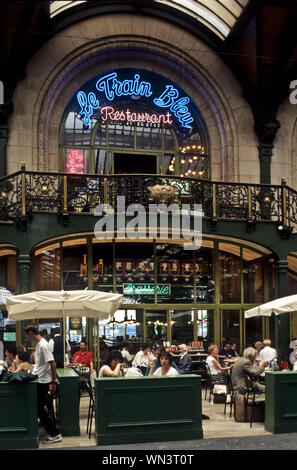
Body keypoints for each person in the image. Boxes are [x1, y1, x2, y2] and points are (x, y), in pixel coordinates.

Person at [24, 324, 62, 444]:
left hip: (43, 381)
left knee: (40, 409)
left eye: (27, 335)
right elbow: (41, 365)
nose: (27, 338)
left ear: (30, 333)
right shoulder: (39, 344)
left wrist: (53, 383)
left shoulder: (44, 345)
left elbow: (53, 364)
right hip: (39, 379)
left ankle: (55, 433)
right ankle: (52, 430)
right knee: (40, 408)